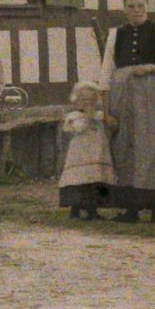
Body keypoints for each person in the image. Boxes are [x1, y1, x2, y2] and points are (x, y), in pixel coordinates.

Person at [97, 0, 155, 224]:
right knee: (126, 149)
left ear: (147, 8)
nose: (136, 10)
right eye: (131, 6)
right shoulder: (116, 34)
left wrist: (151, 68)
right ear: (124, 9)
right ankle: (131, 209)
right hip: (123, 98)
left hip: (153, 100)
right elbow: (106, 72)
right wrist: (106, 111)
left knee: (154, 149)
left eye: (140, 6)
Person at [57, 81, 114, 219]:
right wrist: (88, 115)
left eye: (91, 100)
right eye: (83, 100)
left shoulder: (99, 116)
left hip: (96, 154)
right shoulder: (75, 117)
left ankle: (92, 210)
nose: (87, 103)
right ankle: (74, 209)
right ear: (76, 101)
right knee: (78, 179)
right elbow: (79, 128)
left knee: (95, 179)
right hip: (80, 155)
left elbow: (105, 130)